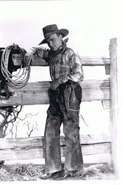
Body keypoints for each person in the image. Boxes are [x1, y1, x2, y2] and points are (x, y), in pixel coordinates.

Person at [35, 24, 84, 180]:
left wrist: (60, 81)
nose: (51, 43)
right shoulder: (52, 55)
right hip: (56, 95)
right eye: (48, 41)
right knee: (50, 130)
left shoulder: (70, 54)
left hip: (70, 93)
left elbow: (78, 74)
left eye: (53, 39)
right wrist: (34, 52)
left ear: (61, 38)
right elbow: (42, 53)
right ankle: (53, 168)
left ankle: (73, 169)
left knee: (71, 130)